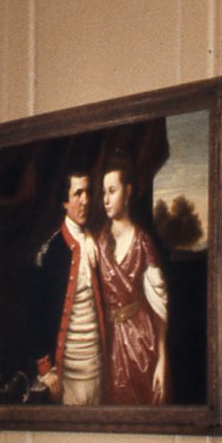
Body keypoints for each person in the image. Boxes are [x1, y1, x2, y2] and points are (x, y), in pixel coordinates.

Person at [91, 165, 169, 405]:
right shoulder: (96, 243)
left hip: (141, 344)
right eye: (103, 192)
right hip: (108, 344)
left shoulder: (143, 243)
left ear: (127, 192)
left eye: (112, 191)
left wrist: (162, 362)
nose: (105, 199)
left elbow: (159, 306)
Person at [33, 171, 104, 404]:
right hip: (67, 376)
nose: (85, 200)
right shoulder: (51, 252)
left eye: (88, 193)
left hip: (98, 369)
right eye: (77, 194)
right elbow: (37, 314)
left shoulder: (96, 243)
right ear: (65, 202)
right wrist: (45, 370)